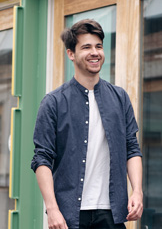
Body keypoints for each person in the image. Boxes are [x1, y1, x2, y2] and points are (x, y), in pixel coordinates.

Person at [32, 19, 144, 229]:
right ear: (71, 54)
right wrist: (52, 208)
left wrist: (137, 190)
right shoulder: (53, 102)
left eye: (98, 46)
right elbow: (42, 158)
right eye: (86, 47)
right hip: (69, 215)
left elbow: (132, 148)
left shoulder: (120, 98)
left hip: (112, 212)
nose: (95, 52)